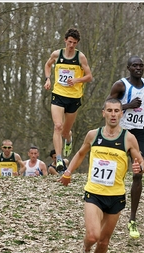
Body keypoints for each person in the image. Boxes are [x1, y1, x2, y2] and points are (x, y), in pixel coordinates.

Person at [59, 98, 144, 253]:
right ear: (103, 113)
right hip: (94, 193)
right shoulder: (93, 135)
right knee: (93, 236)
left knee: (104, 241)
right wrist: (68, 172)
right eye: (109, 110)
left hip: (116, 196)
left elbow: (142, 163)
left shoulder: (129, 138)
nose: (113, 114)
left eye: (116, 111)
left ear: (121, 114)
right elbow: (80, 154)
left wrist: (140, 168)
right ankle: (84, 250)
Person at [106, 55, 144, 239]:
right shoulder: (120, 86)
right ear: (128, 68)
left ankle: (132, 219)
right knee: (116, 173)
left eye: (141, 65)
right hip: (121, 132)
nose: (138, 68)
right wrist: (127, 106)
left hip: (139, 133)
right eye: (134, 66)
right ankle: (107, 212)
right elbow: (107, 106)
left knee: (138, 173)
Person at [44, 28, 93, 172]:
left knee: (65, 131)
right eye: (69, 42)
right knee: (58, 126)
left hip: (74, 98)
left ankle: (69, 138)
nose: (71, 45)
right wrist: (48, 79)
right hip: (58, 95)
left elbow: (89, 77)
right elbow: (48, 65)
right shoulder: (56, 54)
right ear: (65, 40)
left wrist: (77, 80)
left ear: (77, 43)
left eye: (74, 43)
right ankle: (59, 159)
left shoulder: (80, 57)